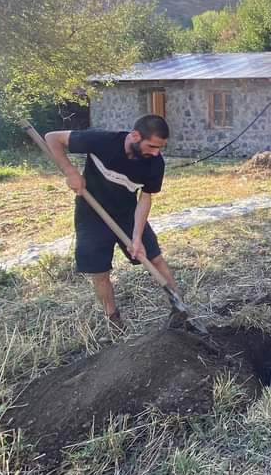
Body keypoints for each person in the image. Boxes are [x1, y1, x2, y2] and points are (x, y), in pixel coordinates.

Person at [45, 115, 184, 331]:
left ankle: (179, 306)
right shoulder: (102, 141)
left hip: (127, 213)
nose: (156, 152)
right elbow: (52, 138)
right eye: (152, 146)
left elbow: (145, 198)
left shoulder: (155, 164)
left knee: (154, 258)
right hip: (91, 215)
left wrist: (137, 237)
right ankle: (113, 320)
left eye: (160, 148)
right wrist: (71, 172)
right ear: (135, 136)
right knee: (99, 272)